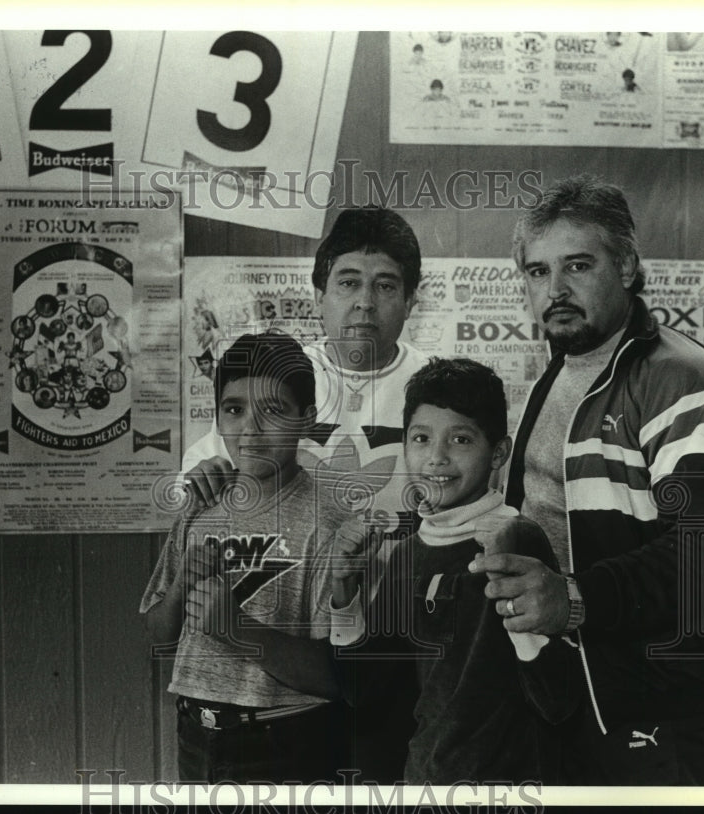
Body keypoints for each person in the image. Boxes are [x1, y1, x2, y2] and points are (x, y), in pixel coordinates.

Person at [471, 175, 704, 784]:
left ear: (626, 266)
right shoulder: (563, 369)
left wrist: (572, 599)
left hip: (649, 703)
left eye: (577, 265)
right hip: (562, 690)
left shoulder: (683, 379)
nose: (555, 290)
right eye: (538, 272)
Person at [179, 206, 429, 780]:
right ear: (319, 293)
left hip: (400, 641)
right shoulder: (282, 376)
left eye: (385, 285)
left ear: (411, 301)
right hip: (292, 650)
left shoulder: (435, 384)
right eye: (348, 282)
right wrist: (207, 478)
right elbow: (203, 472)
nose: (365, 302)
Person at [331, 358, 580, 783]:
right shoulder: (408, 553)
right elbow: (364, 692)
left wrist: (515, 609)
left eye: (461, 439)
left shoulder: (518, 539)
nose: (436, 458)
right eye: (421, 438)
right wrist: (344, 591)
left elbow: (557, 699)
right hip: (424, 781)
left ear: (498, 452)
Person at [140, 332, 354, 783]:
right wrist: (182, 588)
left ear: (307, 419)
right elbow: (158, 634)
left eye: (273, 410)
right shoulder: (202, 502)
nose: (250, 429)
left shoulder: (329, 521)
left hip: (287, 740)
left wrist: (236, 629)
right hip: (196, 733)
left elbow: (336, 676)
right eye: (234, 410)